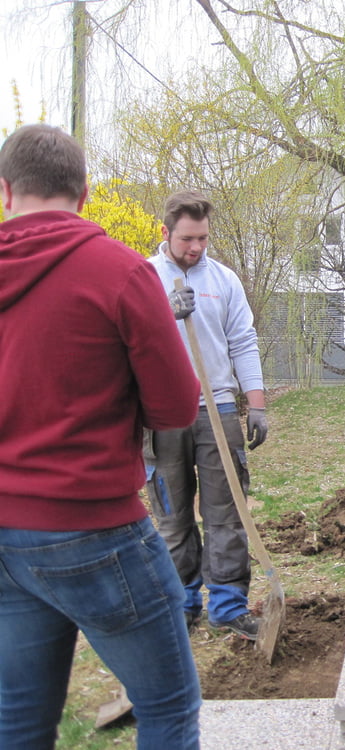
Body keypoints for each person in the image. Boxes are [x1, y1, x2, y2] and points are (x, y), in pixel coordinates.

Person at [0, 124, 202, 747]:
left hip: (7, 537)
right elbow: (175, 407)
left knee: (19, 721)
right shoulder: (118, 272)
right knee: (168, 706)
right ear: (85, 193)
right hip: (95, 530)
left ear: (6, 192)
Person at [146, 190, 269, 640]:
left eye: (203, 238)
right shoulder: (143, 277)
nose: (196, 248)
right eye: (187, 239)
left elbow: (243, 341)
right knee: (171, 515)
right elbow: (125, 344)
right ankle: (181, 602)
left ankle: (227, 605)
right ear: (166, 233)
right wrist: (164, 316)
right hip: (160, 413)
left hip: (216, 407)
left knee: (226, 513)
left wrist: (255, 405)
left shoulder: (224, 279)